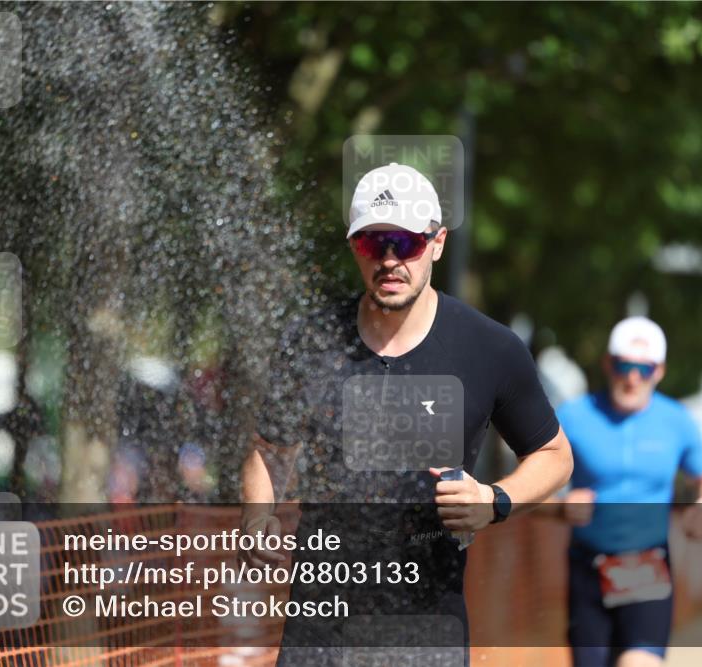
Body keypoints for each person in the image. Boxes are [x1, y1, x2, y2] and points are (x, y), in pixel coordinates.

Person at [239, 162, 573, 666]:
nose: (390, 259)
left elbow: (554, 455)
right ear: (355, 247)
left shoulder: (489, 348)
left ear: (437, 242)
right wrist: (257, 515)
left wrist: (493, 500)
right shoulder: (310, 341)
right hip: (320, 629)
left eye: (407, 243)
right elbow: (270, 451)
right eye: (374, 244)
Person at [554, 316, 702, 667]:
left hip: (648, 566)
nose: (632, 378)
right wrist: (558, 506)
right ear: (607, 364)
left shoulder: (676, 420)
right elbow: (530, 480)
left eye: (643, 369)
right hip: (588, 566)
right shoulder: (573, 417)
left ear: (659, 371)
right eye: (624, 365)